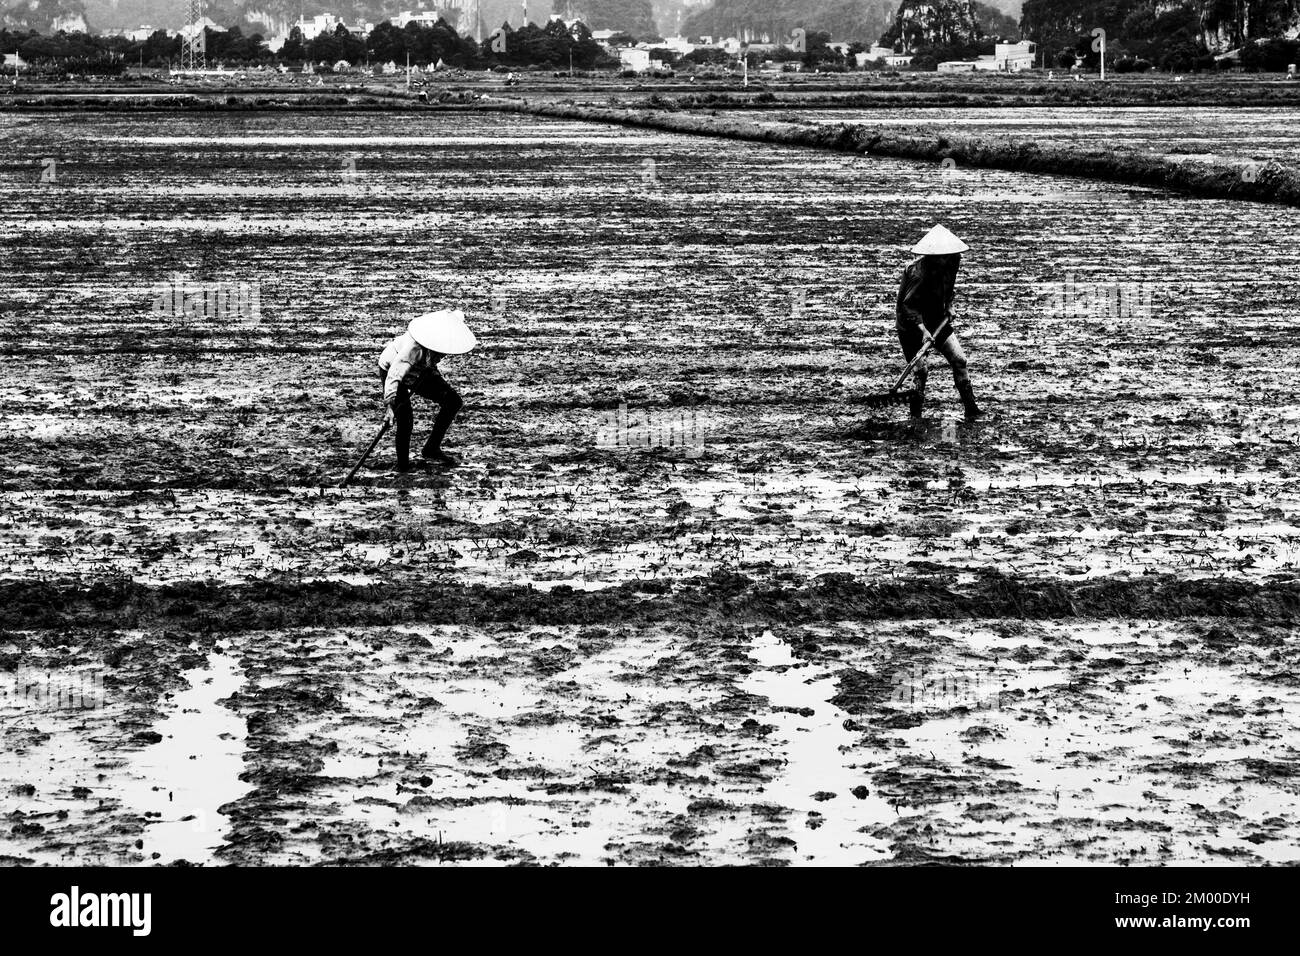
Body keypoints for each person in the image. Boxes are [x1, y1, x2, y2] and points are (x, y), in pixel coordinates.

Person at [895, 224, 983, 422]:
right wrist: (923, 330)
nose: (945, 260)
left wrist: (949, 304)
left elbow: (949, 286)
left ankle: (971, 409)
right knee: (921, 371)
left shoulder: (953, 260)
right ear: (932, 257)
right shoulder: (918, 273)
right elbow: (908, 307)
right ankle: (915, 416)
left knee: (959, 360)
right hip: (910, 324)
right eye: (941, 257)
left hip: (936, 318)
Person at [378, 309, 477, 469]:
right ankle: (402, 465)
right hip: (393, 369)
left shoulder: (443, 341)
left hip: (421, 370)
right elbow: (395, 374)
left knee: (452, 401)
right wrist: (390, 406)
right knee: (405, 419)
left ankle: (431, 448)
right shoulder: (413, 347)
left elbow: (431, 363)